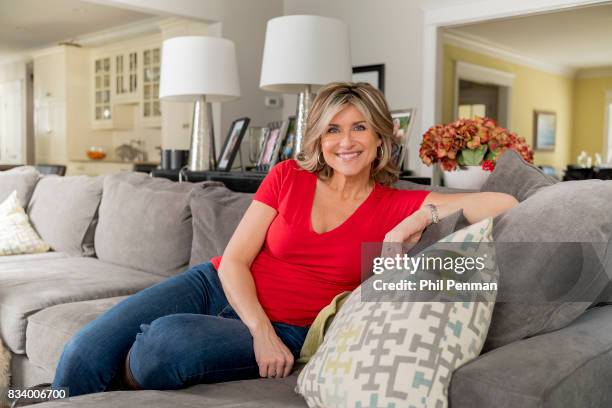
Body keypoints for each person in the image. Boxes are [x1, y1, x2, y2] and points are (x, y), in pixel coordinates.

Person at [51, 82, 518, 396]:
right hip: (215, 285)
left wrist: (419, 219)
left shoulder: (398, 204)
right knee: (83, 350)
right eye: (333, 128)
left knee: (161, 346)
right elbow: (234, 260)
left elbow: (506, 203)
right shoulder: (288, 176)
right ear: (318, 136)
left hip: (291, 326)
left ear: (381, 137)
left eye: (359, 127)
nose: (346, 141)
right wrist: (260, 333)